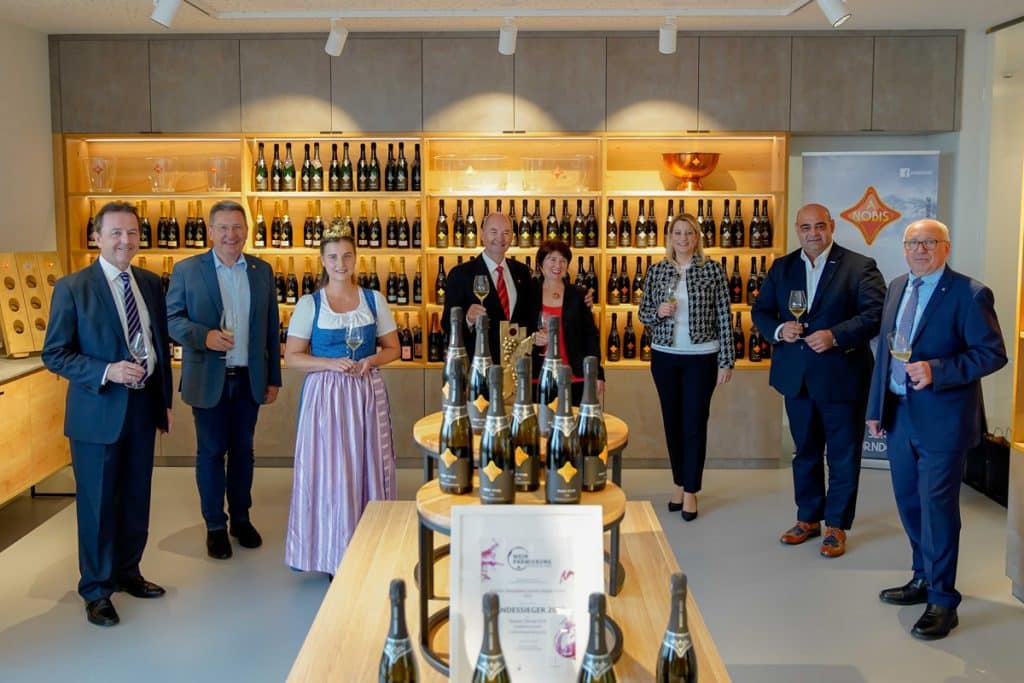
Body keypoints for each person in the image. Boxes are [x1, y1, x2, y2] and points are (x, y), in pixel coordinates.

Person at [867, 219, 1006, 640]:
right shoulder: (897, 287)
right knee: (909, 503)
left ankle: (944, 600)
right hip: (899, 415)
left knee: (938, 510)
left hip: (943, 420)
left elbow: (992, 353)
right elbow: (886, 353)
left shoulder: (970, 293)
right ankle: (923, 577)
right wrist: (876, 408)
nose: (920, 249)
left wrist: (938, 370)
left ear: (946, 247)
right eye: (913, 242)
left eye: (929, 242)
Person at [42, 201, 173, 627]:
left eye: (132, 232)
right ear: (96, 237)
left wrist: (163, 403)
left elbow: (158, 345)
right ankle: (97, 590)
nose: (125, 240)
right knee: (97, 505)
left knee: (137, 497)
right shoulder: (73, 287)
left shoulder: (150, 283)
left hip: (142, 408)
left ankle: (128, 572)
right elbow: (55, 353)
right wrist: (107, 371)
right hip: (96, 414)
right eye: (116, 232)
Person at [751, 203, 885, 557]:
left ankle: (836, 525)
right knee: (805, 453)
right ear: (798, 229)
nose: (813, 233)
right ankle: (808, 518)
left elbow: (875, 315)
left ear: (832, 226)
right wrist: (779, 329)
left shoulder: (860, 266)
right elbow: (761, 311)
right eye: (806, 227)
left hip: (842, 378)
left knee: (842, 456)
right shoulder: (782, 267)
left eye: (820, 226)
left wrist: (835, 336)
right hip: (797, 379)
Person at [166, 200, 281, 560]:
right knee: (212, 452)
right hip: (208, 378)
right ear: (211, 231)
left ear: (247, 231)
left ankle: (241, 520)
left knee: (244, 453)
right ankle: (215, 525)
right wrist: (204, 337)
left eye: (237, 227)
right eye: (224, 228)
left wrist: (273, 377)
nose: (231, 235)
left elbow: (271, 328)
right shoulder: (187, 270)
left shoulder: (261, 271)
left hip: (249, 378)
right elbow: (171, 320)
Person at [283, 225, 400, 576]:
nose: (340, 263)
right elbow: (292, 357)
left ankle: (369, 546)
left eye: (347, 256)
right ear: (322, 260)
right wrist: (329, 363)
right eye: (333, 257)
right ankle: (332, 552)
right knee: (332, 473)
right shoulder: (310, 304)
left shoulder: (374, 299)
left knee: (368, 467)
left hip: (365, 392)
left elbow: (392, 348)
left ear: (355, 259)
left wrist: (371, 360)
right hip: (326, 398)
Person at [638, 214, 734, 522]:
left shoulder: (713, 269)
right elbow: (643, 314)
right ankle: (678, 483)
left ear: (697, 237)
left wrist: (726, 360)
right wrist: (658, 311)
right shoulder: (657, 270)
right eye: (677, 233)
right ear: (670, 237)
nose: (683, 238)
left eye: (689, 233)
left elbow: (724, 316)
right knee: (672, 423)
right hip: (664, 356)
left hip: (701, 357)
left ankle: (691, 489)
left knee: (694, 423)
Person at [441, 212, 535, 362]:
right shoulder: (461, 274)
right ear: (482, 235)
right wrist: (468, 319)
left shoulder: (522, 272)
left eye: (506, 233)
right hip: (479, 363)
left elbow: (530, 315)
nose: (500, 238)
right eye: (494, 232)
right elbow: (447, 324)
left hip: (516, 363)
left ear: (512, 237)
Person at [529, 239, 604, 404]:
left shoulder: (579, 294)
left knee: (575, 420)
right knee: (542, 420)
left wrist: (598, 373)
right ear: (541, 264)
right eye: (552, 259)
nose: (558, 265)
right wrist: (533, 338)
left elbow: (591, 337)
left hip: (574, 376)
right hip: (539, 376)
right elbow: (520, 329)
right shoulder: (529, 293)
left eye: (563, 260)